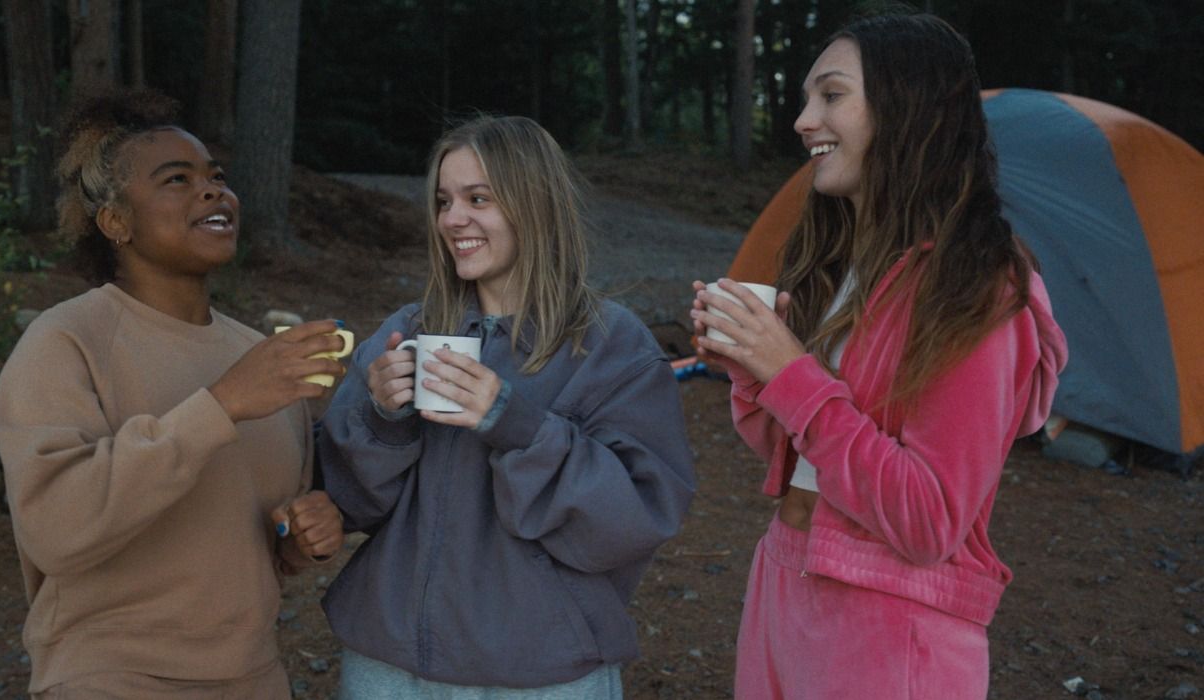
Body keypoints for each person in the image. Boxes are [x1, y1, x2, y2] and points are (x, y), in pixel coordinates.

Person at [689, 13, 1068, 699]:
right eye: (807, 99)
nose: (805, 120)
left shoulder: (977, 287)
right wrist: (752, 361)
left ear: (910, 108)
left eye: (831, 95)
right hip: (784, 581)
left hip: (889, 624)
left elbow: (929, 520)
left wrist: (792, 373)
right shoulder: (843, 264)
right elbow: (799, 452)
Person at [318, 115, 696, 698]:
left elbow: (633, 520)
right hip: (390, 663)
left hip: (542, 669)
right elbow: (348, 502)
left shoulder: (610, 346)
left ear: (535, 204)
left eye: (479, 198)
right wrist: (381, 417)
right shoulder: (408, 331)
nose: (453, 219)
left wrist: (516, 425)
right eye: (444, 200)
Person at [0, 90, 346, 698]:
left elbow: (260, 542)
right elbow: (56, 527)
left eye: (216, 177)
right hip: (112, 676)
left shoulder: (256, 356)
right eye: (176, 179)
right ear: (116, 222)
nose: (213, 192)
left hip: (254, 676)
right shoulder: (65, 342)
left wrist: (304, 532)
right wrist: (221, 405)